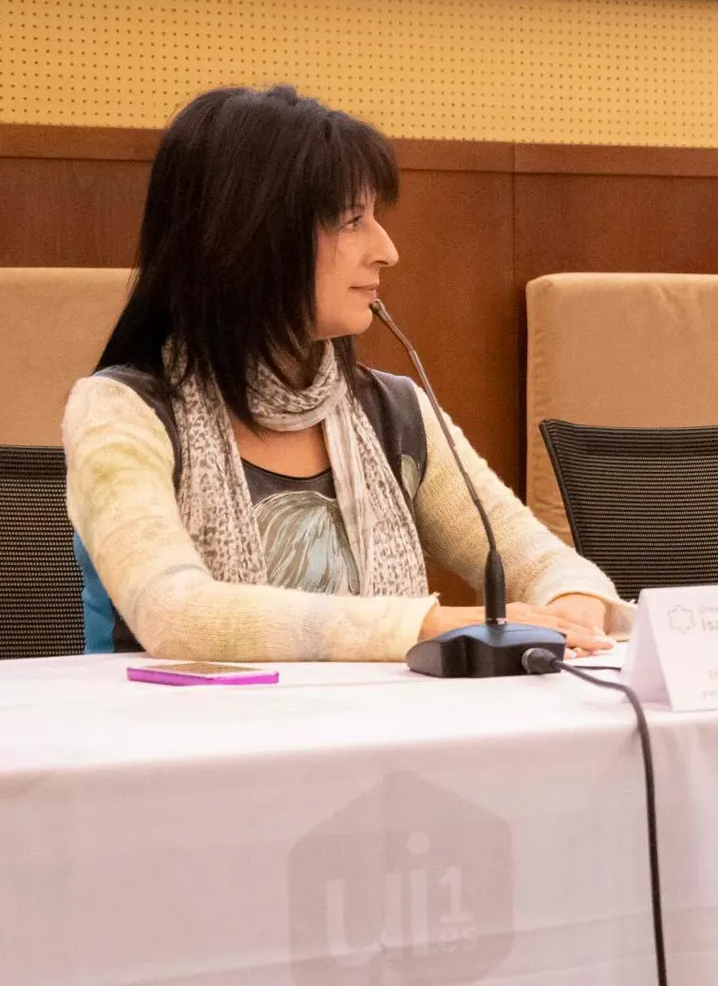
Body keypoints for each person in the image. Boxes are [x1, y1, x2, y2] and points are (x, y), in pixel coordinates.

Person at [65, 85, 626, 660]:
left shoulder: (395, 409)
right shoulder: (120, 412)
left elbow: (542, 562)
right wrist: (421, 625)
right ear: (248, 237)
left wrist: (574, 605)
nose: (387, 250)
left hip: (375, 739)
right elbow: (177, 616)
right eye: (351, 221)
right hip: (178, 741)